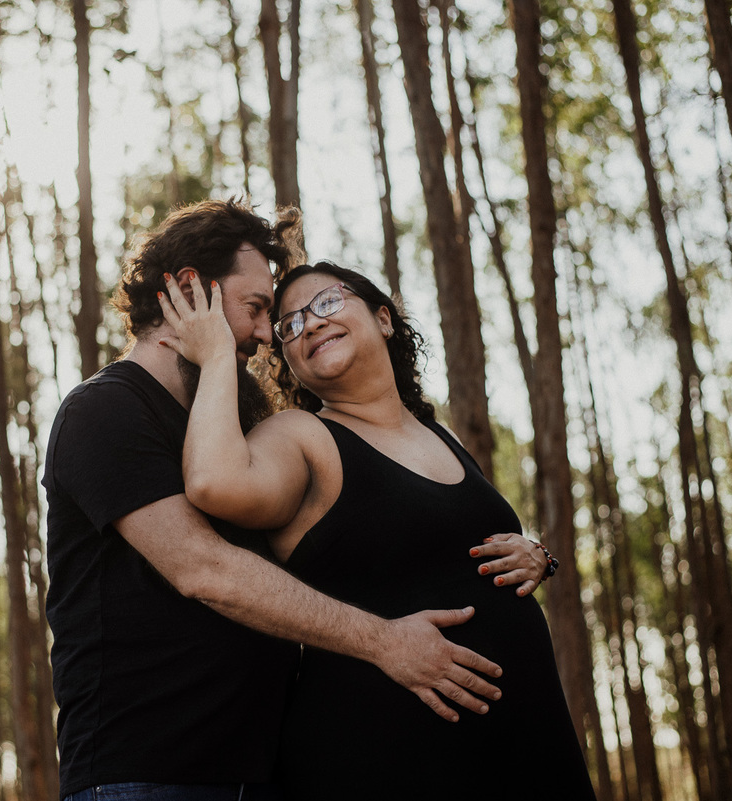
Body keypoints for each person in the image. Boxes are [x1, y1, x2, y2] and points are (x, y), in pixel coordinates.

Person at [44, 201, 517, 801]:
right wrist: (385, 642)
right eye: (257, 309)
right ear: (191, 292)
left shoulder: (234, 429)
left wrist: (528, 552)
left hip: (265, 772)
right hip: (147, 774)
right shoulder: (103, 411)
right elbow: (204, 570)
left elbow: (363, 544)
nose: (267, 335)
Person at [158, 259, 597, 799]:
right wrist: (218, 355)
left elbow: (455, 552)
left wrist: (537, 555)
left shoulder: (441, 435)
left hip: (526, 747)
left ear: (384, 319)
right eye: (290, 325)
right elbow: (212, 482)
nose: (310, 324)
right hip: (390, 756)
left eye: (326, 303)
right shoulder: (304, 436)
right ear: (291, 364)